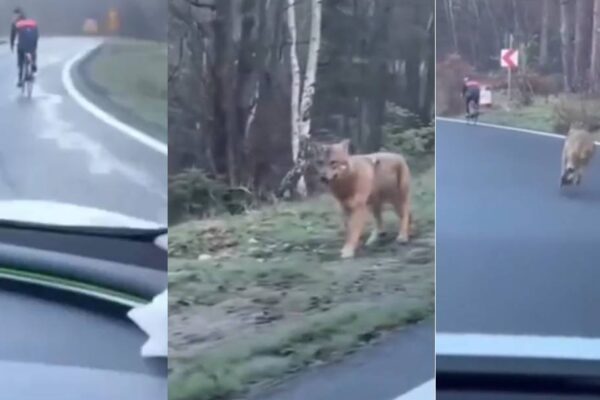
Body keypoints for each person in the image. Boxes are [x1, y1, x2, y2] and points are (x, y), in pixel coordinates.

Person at [10, 7, 39, 88]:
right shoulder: (27, 21)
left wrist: (12, 45)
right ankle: (33, 64)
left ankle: (20, 80)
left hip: (21, 44)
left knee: (20, 61)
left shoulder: (15, 23)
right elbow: (35, 34)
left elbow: (12, 35)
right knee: (32, 50)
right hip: (31, 42)